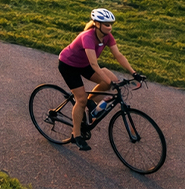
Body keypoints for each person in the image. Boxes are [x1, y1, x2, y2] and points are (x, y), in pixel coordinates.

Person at [58, 8, 143, 151]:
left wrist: (134, 73)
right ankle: (76, 135)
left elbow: (118, 55)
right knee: (81, 100)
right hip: (68, 65)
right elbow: (94, 64)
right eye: (106, 24)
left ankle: (90, 102)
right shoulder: (88, 37)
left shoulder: (108, 37)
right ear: (97, 24)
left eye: (111, 24)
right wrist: (109, 82)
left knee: (111, 81)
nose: (109, 27)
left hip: (84, 65)